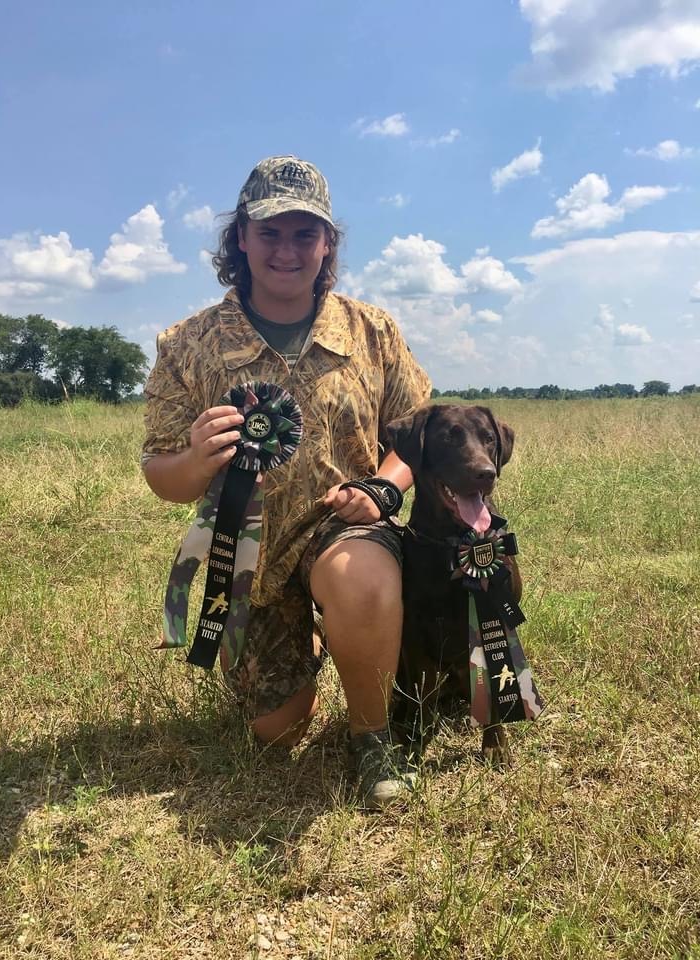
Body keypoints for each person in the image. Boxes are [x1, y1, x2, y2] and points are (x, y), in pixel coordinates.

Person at [142, 156, 431, 808]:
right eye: (270, 232)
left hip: (344, 528)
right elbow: (162, 474)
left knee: (358, 578)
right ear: (240, 237)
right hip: (247, 559)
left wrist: (384, 489)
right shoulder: (187, 345)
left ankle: (373, 735)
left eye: (306, 233)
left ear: (328, 243)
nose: (287, 249)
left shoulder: (372, 331)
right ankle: (327, 639)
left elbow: (414, 435)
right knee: (273, 731)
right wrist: (193, 461)